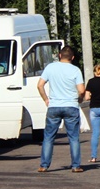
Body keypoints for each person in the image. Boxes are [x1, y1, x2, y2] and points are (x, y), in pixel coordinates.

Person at [36, 45, 86, 173]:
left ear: (59, 55)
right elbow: (81, 90)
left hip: (54, 106)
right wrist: (79, 100)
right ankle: (75, 166)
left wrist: (46, 99)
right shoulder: (75, 70)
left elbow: (40, 85)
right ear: (73, 57)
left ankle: (44, 165)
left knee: (48, 137)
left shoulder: (50, 67)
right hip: (71, 106)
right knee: (73, 137)